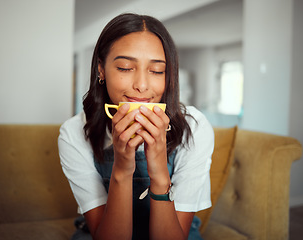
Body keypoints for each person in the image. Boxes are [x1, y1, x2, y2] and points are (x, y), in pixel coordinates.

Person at [58, 13, 214, 240]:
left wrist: (160, 173)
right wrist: (122, 167)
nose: (141, 85)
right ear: (101, 69)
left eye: (157, 71)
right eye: (124, 68)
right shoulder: (74, 132)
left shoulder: (194, 127)